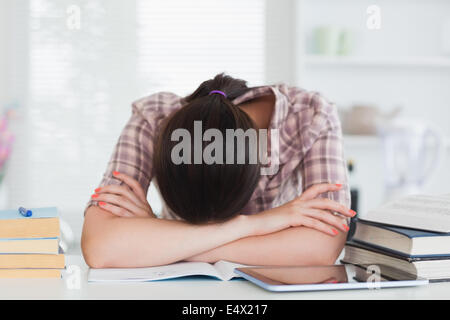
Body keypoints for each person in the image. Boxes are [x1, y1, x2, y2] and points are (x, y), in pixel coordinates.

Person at [81, 73, 354, 268]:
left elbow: (322, 249)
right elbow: (101, 247)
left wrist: (159, 238)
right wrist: (257, 224)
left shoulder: (311, 115)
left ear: (260, 157)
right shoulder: (155, 117)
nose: (212, 227)